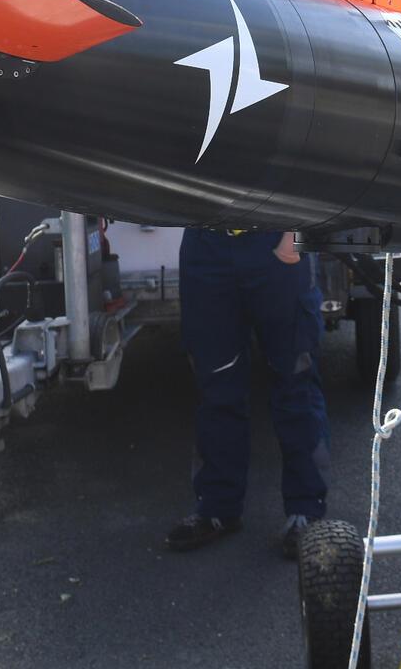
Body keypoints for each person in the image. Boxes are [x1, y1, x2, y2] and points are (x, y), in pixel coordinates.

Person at [166, 228, 329, 560]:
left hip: (275, 241)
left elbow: (318, 177)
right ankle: (217, 508)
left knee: (295, 381)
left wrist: (295, 234)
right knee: (216, 385)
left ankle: (306, 511)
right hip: (207, 244)